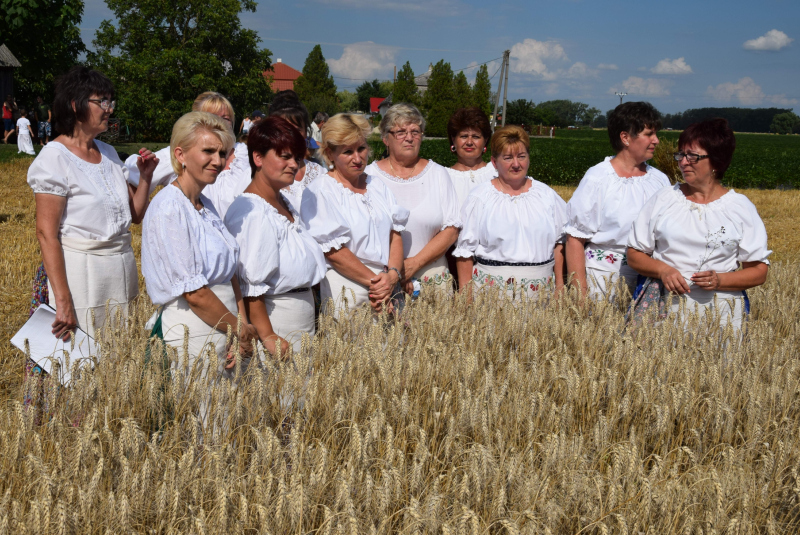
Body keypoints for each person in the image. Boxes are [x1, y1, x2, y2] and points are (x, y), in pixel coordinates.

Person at [27, 66, 157, 338]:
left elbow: (134, 215)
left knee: (117, 360)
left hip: (120, 271)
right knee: (81, 359)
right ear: (76, 105)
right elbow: (46, 234)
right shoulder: (54, 158)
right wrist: (62, 302)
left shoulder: (109, 153)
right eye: (103, 102)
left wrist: (145, 178)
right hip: (81, 276)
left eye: (111, 102)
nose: (109, 109)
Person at [627, 118, 771, 332]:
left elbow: (758, 271)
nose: (683, 162)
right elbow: (634, 254)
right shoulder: (665, 199)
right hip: (664, 307)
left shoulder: (740, 207)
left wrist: (719, 280)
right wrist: (663, 270)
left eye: (692, 156)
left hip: (722, 312)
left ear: (717, 160)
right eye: (681, 155)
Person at [141, 111, 257, 375]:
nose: (217, 161)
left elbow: (230, 275)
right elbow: (194, 293)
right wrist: (239, 330)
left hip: (224, 327)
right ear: (180, 155)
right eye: (208, 151)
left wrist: (240, 325)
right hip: (193, 332)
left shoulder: (206, 205)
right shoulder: (170, 207)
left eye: (222, 153)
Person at [225, 117, 327, 353]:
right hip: (278, 319)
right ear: (258, 157)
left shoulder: (283, 201)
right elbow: (250, 286)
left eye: (297, 158)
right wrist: (269, 336)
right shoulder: (252, 212)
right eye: (284, 156)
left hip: (300, 318)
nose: (293, 164)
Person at [301, 113, 408, 318]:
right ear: (330, 153)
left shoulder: (377, 185)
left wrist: (393, 275)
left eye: (361, 148)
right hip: (347, 286)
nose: (358, 158)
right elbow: (333, 251)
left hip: (387, 283)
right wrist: (377, 284)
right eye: (348, 151)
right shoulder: (320, 191)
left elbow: (395, 234)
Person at [564, 101, 670, 300]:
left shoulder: (660, 180)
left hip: (649, 284)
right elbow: (575, 240)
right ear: (625, 138)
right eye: (649, 134)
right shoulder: (598, 178)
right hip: (602, 284)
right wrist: (580, 297)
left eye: (656, 133)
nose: (656, 140)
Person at [454, 125, 567, 300]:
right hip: (490, 298)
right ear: (494, 162)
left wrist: (560, 286)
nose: (516, 164)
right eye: (508, 158)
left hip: (542, 297)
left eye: (521, 156)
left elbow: (560, 243)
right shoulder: (480, 197)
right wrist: (466, 298)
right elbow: (465, 252)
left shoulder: (546, 195)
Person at [365, 103, 461, 297]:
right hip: (383, 283)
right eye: (400, 132)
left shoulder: (438, 174)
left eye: (415, 131)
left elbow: (452, 229)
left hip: (433, 279)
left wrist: (414, 263)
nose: (409, 137)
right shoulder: (368, 177)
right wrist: (394, 271)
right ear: (385, 138)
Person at [125, 92, 250, 219]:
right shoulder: (183, 153)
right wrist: (156, 213)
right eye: (211, 117)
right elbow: (133, 175)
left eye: (226, 118)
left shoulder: (245, 154)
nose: (219, 123)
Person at [268, 98, 326, 212]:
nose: (291, 136)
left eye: (297, 130)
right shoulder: (261, 173)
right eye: (284, 130)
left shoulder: (319, 173)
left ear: (306, 133)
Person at [446, 107, 497, 207]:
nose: (469, 142)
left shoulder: (497, 173)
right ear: (453, 140)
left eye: (476, 137)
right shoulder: (443, 177)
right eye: (464, 136)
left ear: (485, 140)